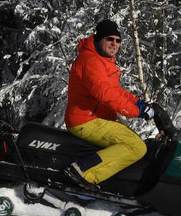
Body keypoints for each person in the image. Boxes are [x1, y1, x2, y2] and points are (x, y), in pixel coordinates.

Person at [63, 19, 154, 190]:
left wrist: (137, 102)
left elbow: (115, 90)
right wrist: (136, 111)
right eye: (109, 39)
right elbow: (104, 93)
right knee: (136, 147)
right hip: (86, 121)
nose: (114, 44)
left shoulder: (102, 61)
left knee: (133, 140)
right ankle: (84, 173)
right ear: (99, 40)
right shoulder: (90, 60)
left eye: (118, 40)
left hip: (97, 118)